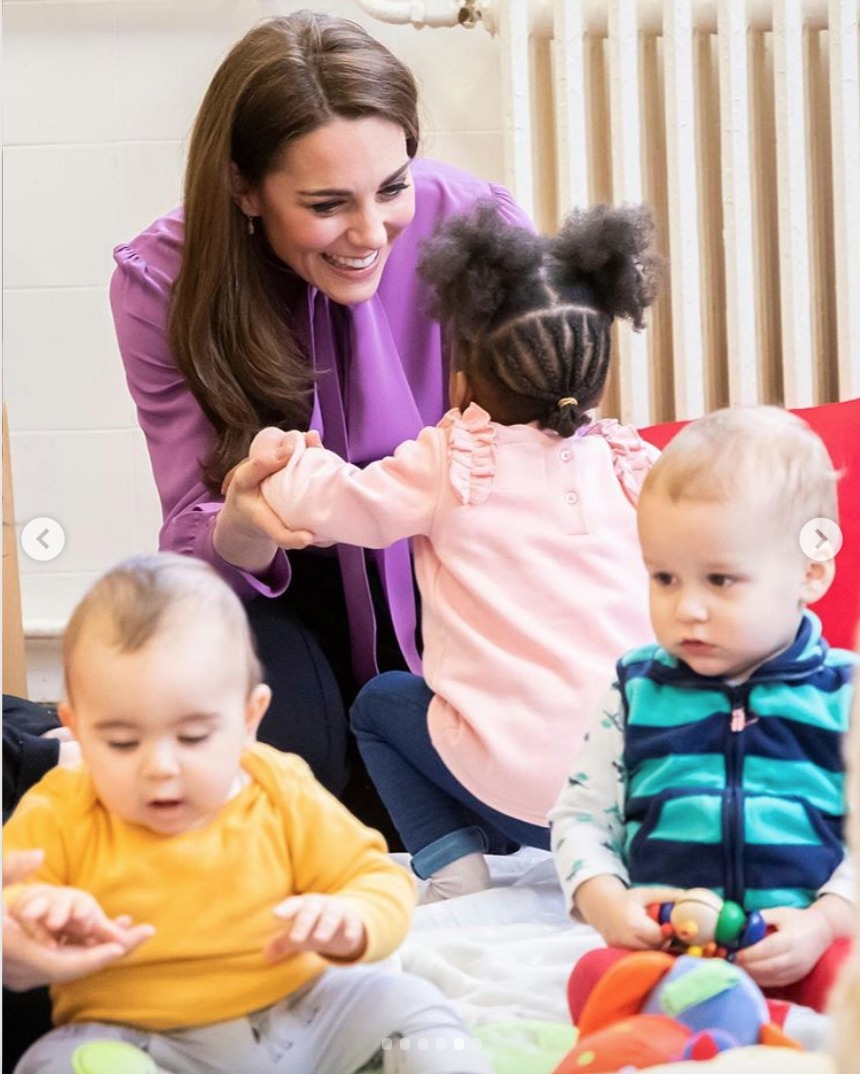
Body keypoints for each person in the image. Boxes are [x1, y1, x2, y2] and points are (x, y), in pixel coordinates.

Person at [108, 10, 534, 832]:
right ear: (244, 187)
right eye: (326, 204)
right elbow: (199, 537)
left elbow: (554, 450)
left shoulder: (479, 227)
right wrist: (243, 521)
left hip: (458, 572)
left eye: (392, 186)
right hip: (283, 584)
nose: (370, 233)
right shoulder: (160, 284)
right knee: (288, 788)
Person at [246, 201, 662, 901]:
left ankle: (450, 863)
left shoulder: (454, 462)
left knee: (380, 705)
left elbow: (341, 504)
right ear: (598, 378)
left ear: (462, 380)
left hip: (520, 797)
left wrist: (284, 457)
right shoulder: (636, 467)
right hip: (641, 801)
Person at [2, 553, 491, 1074]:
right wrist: (35, 911)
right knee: (57, 1063)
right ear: (74, 728)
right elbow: (14, 895)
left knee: (409, 1008)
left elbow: (372, 877)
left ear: (248, 718)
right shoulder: (60, 806)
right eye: (121, 742)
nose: (161, 766)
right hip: (137, 1041)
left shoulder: (277, 787)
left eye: (193, 737)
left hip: (300, 1017)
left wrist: (354, 921)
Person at [549, 405, 857, 1017]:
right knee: (593, 979)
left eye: (720, 581)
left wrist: (826, 922)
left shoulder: (843, 692)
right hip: (671, 950)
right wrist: (606, 901)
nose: (686, 608)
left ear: (812, 571)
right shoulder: (636, 689)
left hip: (800, 944)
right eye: (664, 578)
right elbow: (581, 816)